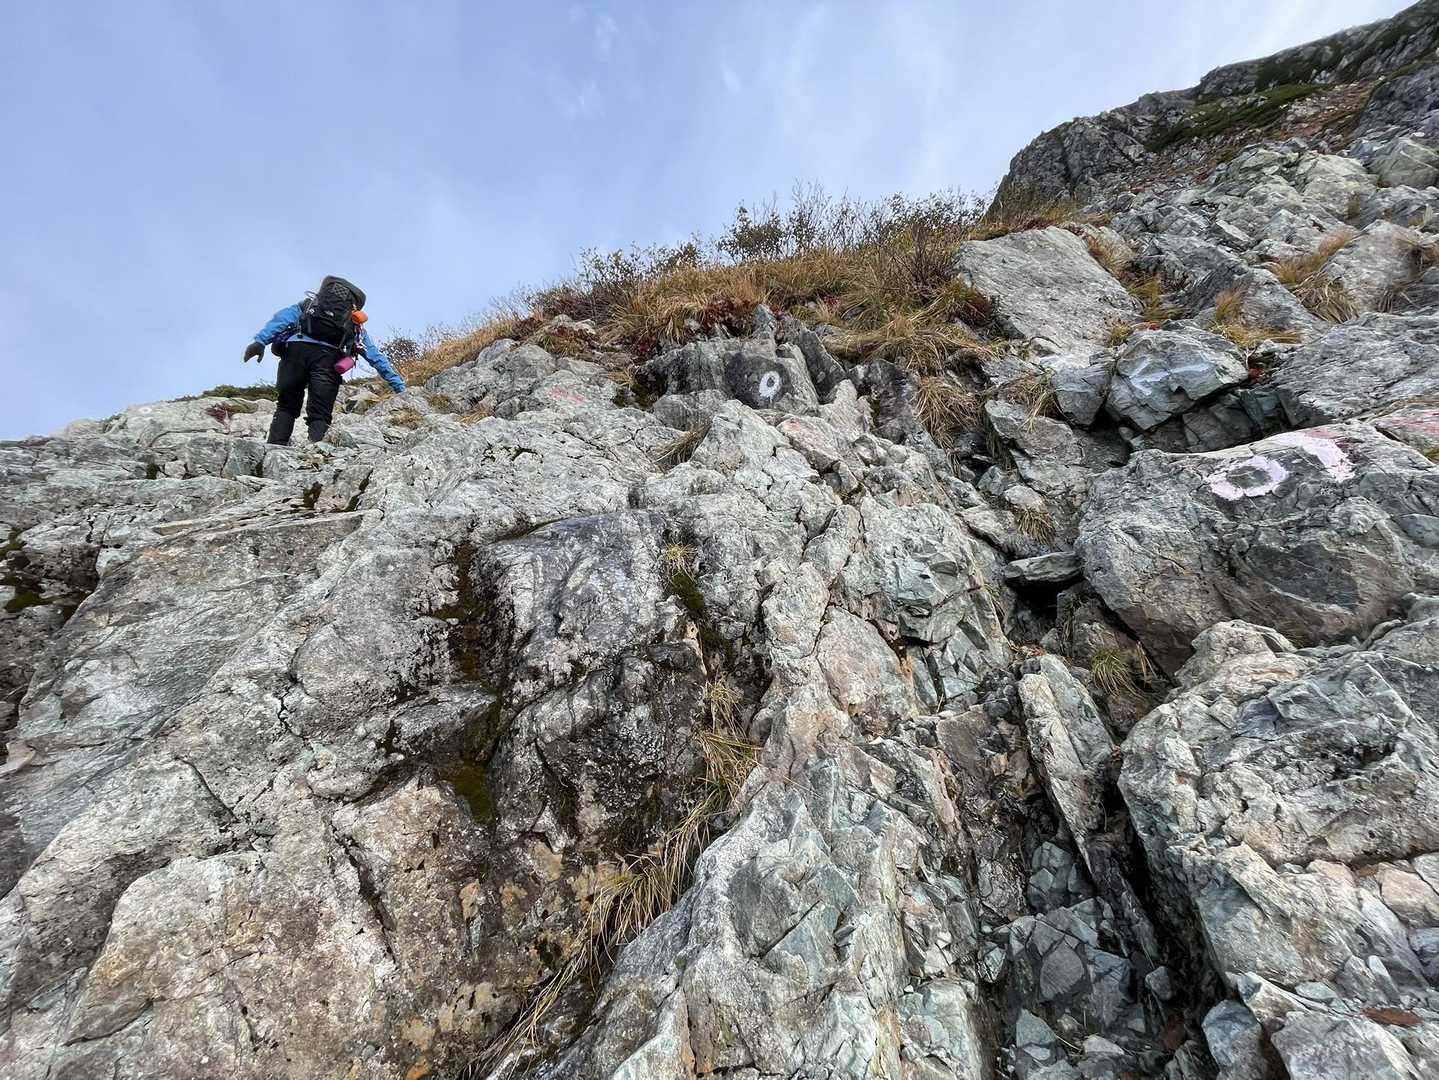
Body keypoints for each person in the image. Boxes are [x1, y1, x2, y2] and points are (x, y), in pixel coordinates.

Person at [243, 275, 407, 445]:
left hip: (295, 353)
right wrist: (399, 386)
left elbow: (281, 321)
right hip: (328, 360)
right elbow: (376, 357)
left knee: (286, 405)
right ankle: (316, 450)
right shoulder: (354, 324)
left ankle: (275, 445)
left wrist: (260, 342)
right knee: (320, 413)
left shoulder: (307, 306)